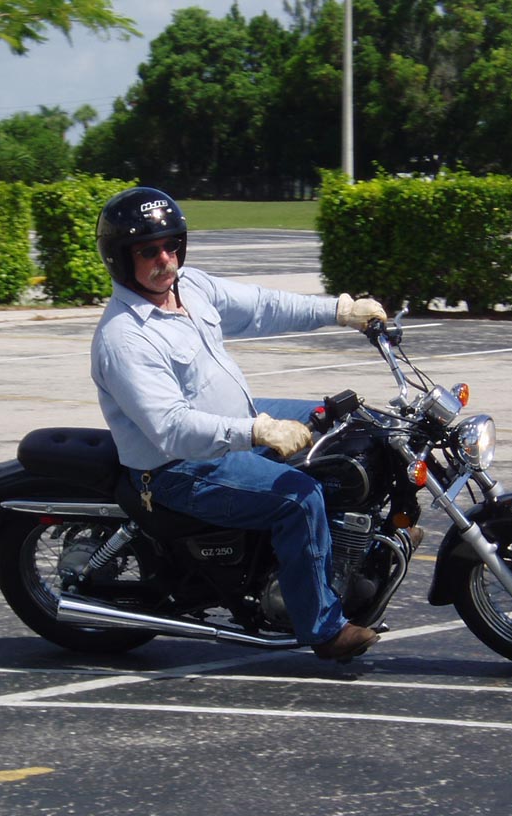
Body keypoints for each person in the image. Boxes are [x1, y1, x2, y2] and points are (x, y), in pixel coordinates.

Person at [89, 187, 387, 662]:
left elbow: (263, 305)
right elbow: (171, 428)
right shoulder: (124, 338)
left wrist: (340, 311)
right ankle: (324, 628)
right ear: (120, 258)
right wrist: (257, 432)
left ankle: (374, 539)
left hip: (235, 424)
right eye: (148, 251)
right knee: (299, 498)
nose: (165, 259)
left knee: (349, 424)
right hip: (178, 467)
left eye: (172, 245)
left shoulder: (189, 287)